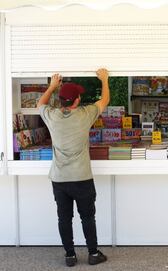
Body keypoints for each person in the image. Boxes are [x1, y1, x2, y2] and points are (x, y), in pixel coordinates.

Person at [37, 68, 110, 267]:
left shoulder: (51, 116)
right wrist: (104, 79)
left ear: (61, 100)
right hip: (82, 178)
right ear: (77, 100)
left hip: (60, 179)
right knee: (87, 217)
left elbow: (40, 103)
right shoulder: (84, 115)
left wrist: (52, 86)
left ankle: (70, 256)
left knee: (64, 218)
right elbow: (104, 101)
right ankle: (93, 254)